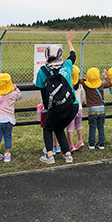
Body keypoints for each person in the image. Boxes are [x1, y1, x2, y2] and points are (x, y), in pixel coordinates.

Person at [36, 30, 79, 164]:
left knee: (48, 128)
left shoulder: (43, 71)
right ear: (60, 55)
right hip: (73, 104)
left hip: (57, 106)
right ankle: (67, 154)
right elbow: (73, 55)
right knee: (59, 128)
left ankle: (49, 156)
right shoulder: (66, 65)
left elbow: (43, 91)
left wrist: (47, 107)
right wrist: (69, 41)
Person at [0, 73, 22, 163]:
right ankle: (7, 154)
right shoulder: (13, 94)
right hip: (9, 119)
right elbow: (19, 96)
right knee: (8, 136)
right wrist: (16, 88)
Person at [79, 67, 112, 149]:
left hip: (92, 109)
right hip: (101, 108)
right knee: (101, 126)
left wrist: (86, 79)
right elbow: (109, 84)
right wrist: (105, 76)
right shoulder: (101, 84)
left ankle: (91, 144)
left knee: (92, 127)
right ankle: (101, 144)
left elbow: (79, 80)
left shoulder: (86, 85)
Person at [67, 65, 86, 152]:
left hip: (70, 109)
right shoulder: (80, 86)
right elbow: (83, 96)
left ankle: (71, 144)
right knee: (79, 125)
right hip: (79, 108)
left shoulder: (67, 86)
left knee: (69, 128)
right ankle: (80, 140)